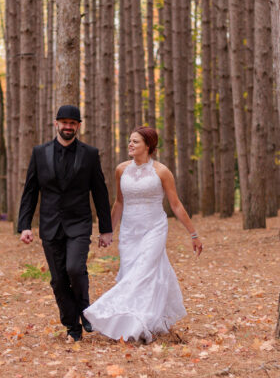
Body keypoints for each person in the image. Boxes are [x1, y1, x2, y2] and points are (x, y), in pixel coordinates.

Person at [84, 126, 202, 343]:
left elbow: (175, 205)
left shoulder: (162, 172)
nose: (130, 144)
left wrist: (193, 234)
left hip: (154, 229)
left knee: (143, 273)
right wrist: (108, 231)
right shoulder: (121, 170)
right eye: (130, 141)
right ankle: (135, 321)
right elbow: (119, 202)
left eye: (135, 142)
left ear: (148, 146)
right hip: (129, 232)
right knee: (133, 274)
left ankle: (136, 322)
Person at [17, 105, 113, 342]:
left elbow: (100, 191)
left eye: (73, 123)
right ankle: (72, 326)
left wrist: (106, 229)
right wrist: (25, 225)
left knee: (74, 269)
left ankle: (85, 309)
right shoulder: (40, 153)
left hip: (79, 223)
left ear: (78, 126)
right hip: (50, 225)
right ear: (56, 124)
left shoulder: (90, 154)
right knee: (58, 279)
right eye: (64, 122)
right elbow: (30, 191)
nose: (68, 127)